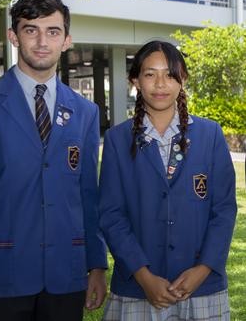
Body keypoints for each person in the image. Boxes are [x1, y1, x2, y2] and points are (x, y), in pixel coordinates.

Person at [98, 41, 236, 320]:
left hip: (201, 287)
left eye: (170, 74)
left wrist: (204, 268)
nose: (161, 84)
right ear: (135, 80)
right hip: (138, 287)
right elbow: (111, 215)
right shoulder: (117, 139)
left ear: (182, 79)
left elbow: (223, 210)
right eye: (150, 74)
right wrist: (143, 275)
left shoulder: (210, 135)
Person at [0, 0, 107, 320]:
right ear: (14, 37)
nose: (42, 41)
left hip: (65, 275)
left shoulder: (85, 111)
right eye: (31, 30)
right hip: (3, 272)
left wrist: (96, 265)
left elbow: (88, 195)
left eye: (53, 31)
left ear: (67, 40)